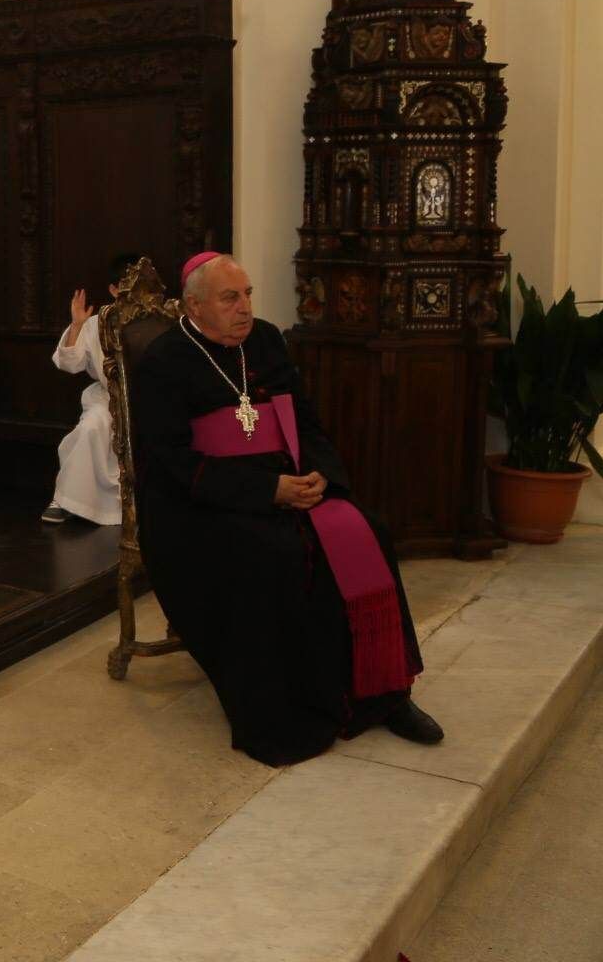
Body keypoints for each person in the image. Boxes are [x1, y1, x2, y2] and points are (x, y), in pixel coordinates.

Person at [130, 252, 442, 765]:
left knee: (369, 533)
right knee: (272, 553)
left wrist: (320, 472)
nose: (245, 308)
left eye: (247, 294)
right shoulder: (164, 361)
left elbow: (306, 420)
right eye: (230, 298)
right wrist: (266, 491)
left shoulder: (267, 340)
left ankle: (386, 693)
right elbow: (172, 462)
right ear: (194, 306)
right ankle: (287, 708)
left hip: (290, 478)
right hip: (202, 503)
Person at [42, 252, 143, 525]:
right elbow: (69, 363)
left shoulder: (156, 319)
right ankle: (67, 498)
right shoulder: (97, 323)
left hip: (145, 400)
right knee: (91, 428)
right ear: (113, 289)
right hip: (107, 398)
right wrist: (77, 325)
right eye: (127, 286)